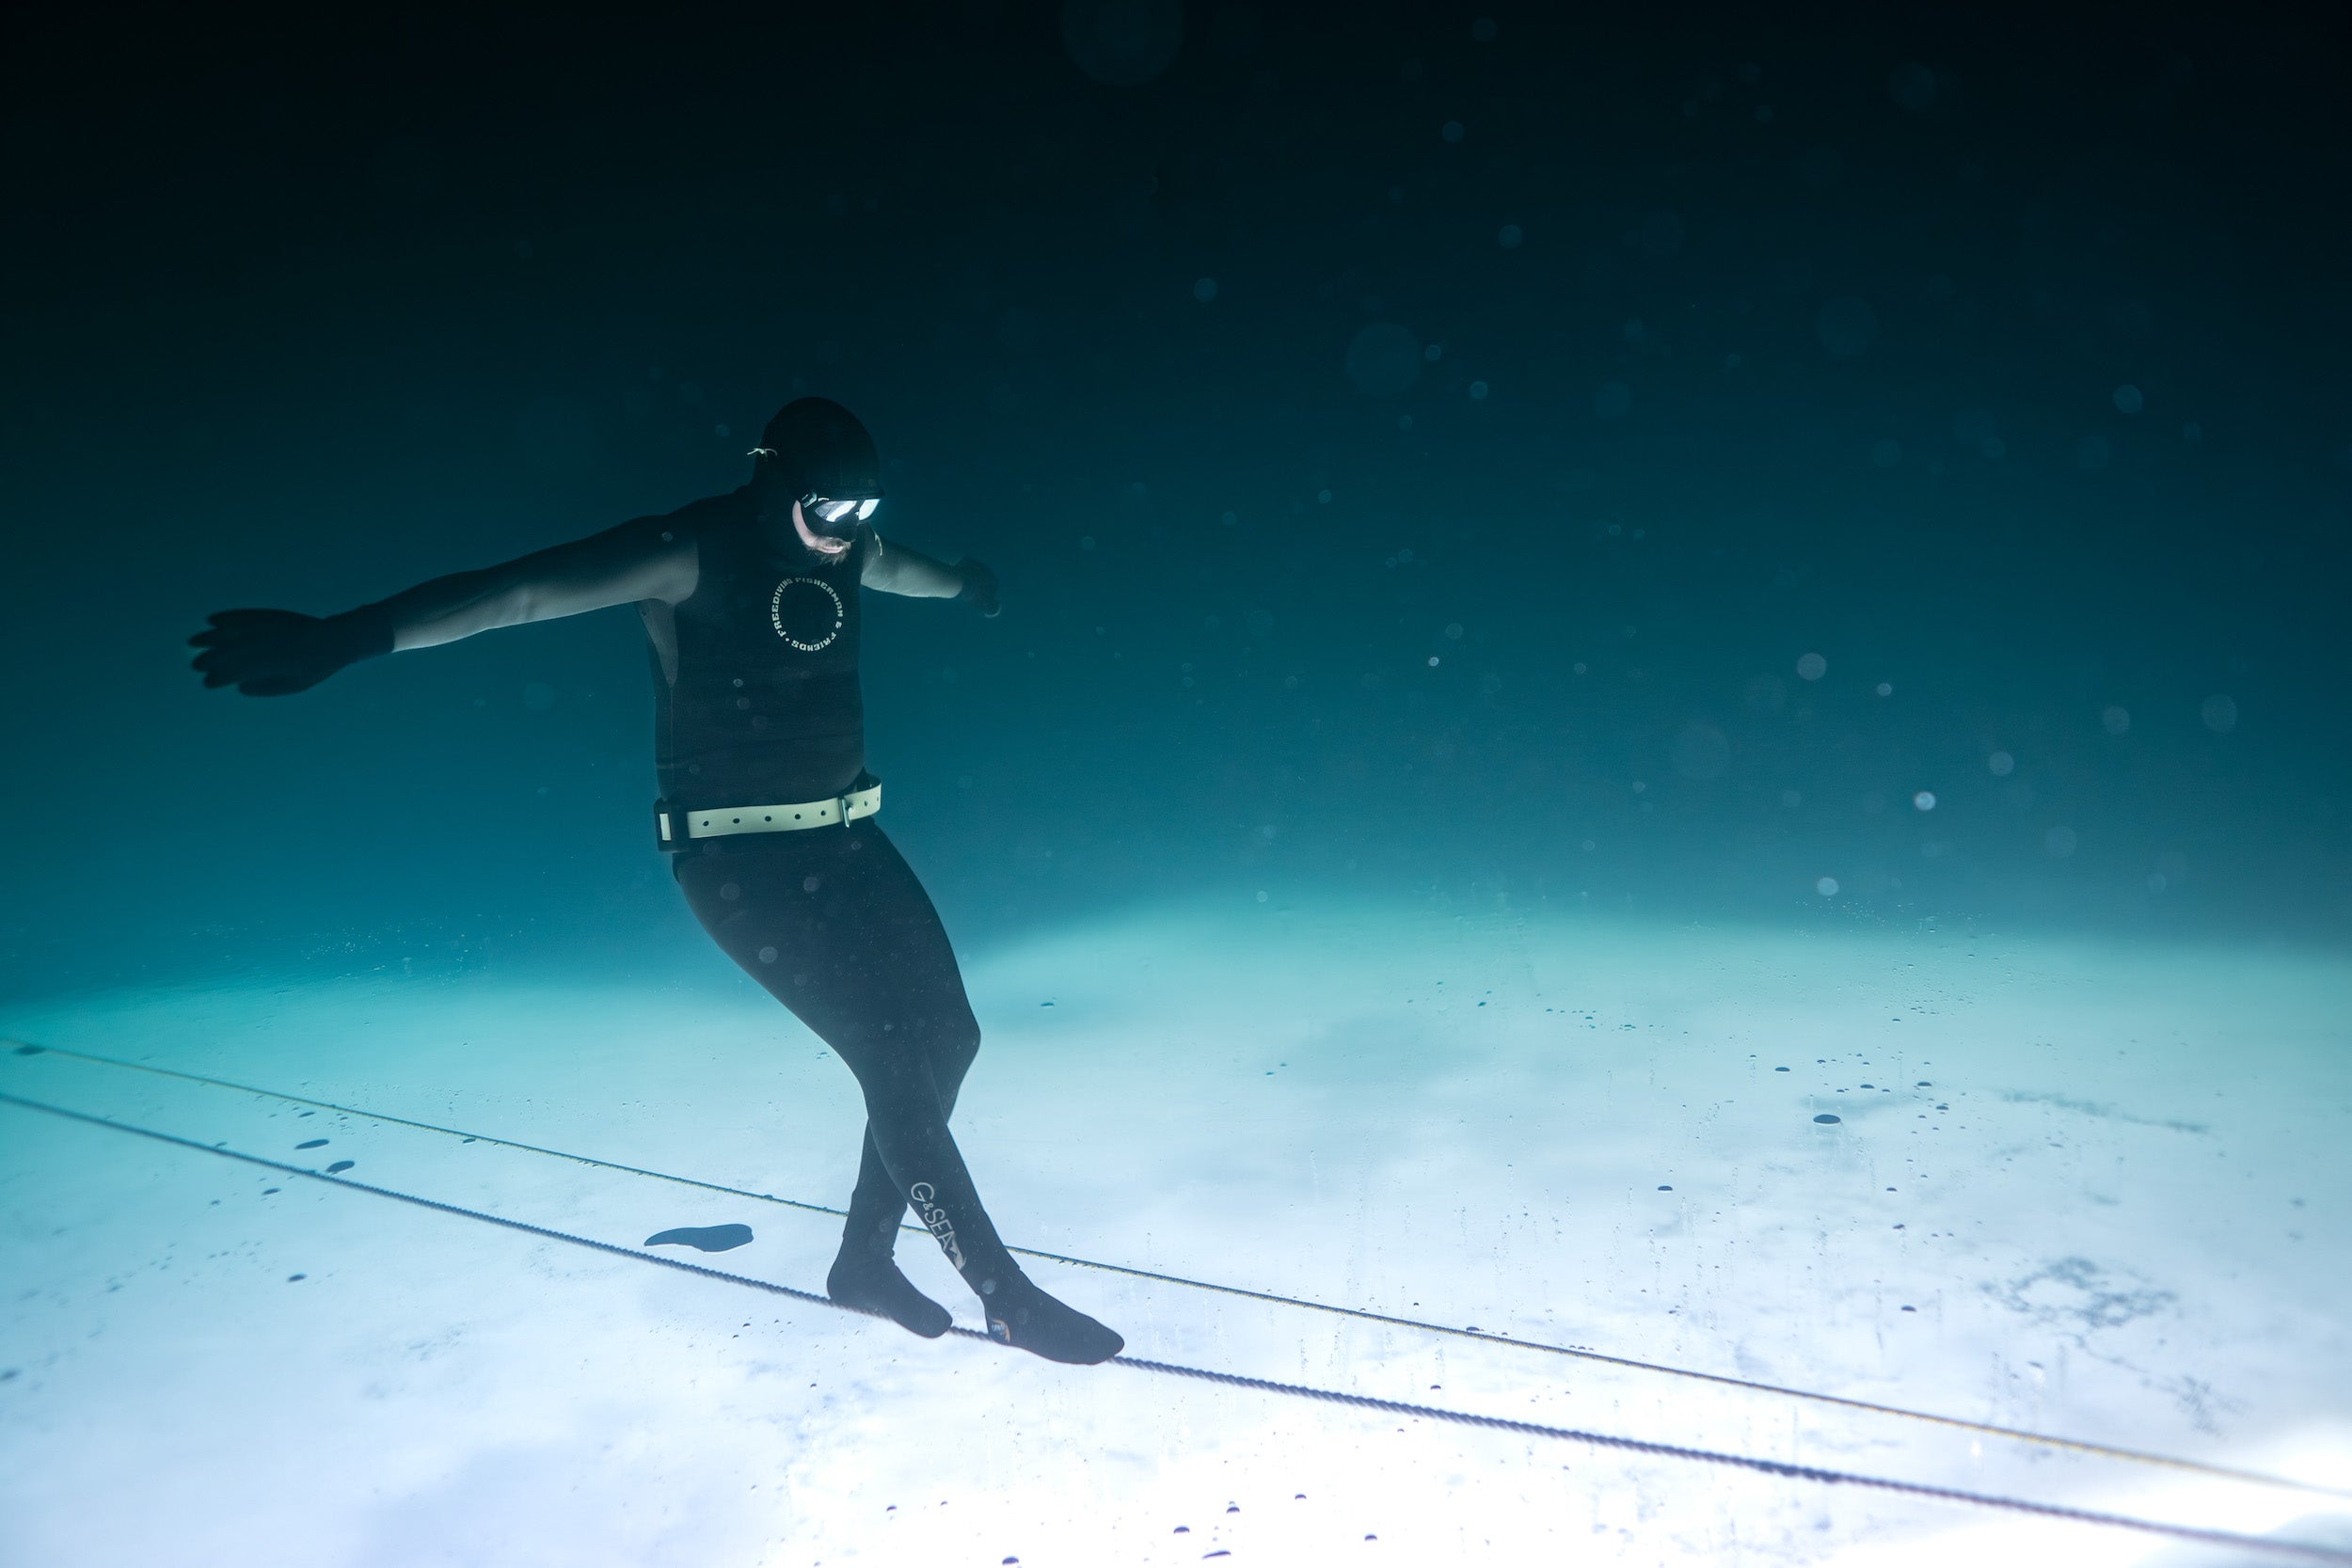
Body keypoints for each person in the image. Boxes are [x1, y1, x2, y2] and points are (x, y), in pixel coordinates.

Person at [188, 396, 1124, 1365]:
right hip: (736, 862)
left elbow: (911, 569)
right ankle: (1002, 1294)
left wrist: (970, 583)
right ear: (771, 481)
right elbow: (516, 592)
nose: (845, 535)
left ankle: (862, 1262)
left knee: (950, 1036)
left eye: (863, 511)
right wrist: (348, 635)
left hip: (848, 839)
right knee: (893, 1055)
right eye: (826, 510)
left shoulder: (851, 551)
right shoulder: (687, 550)